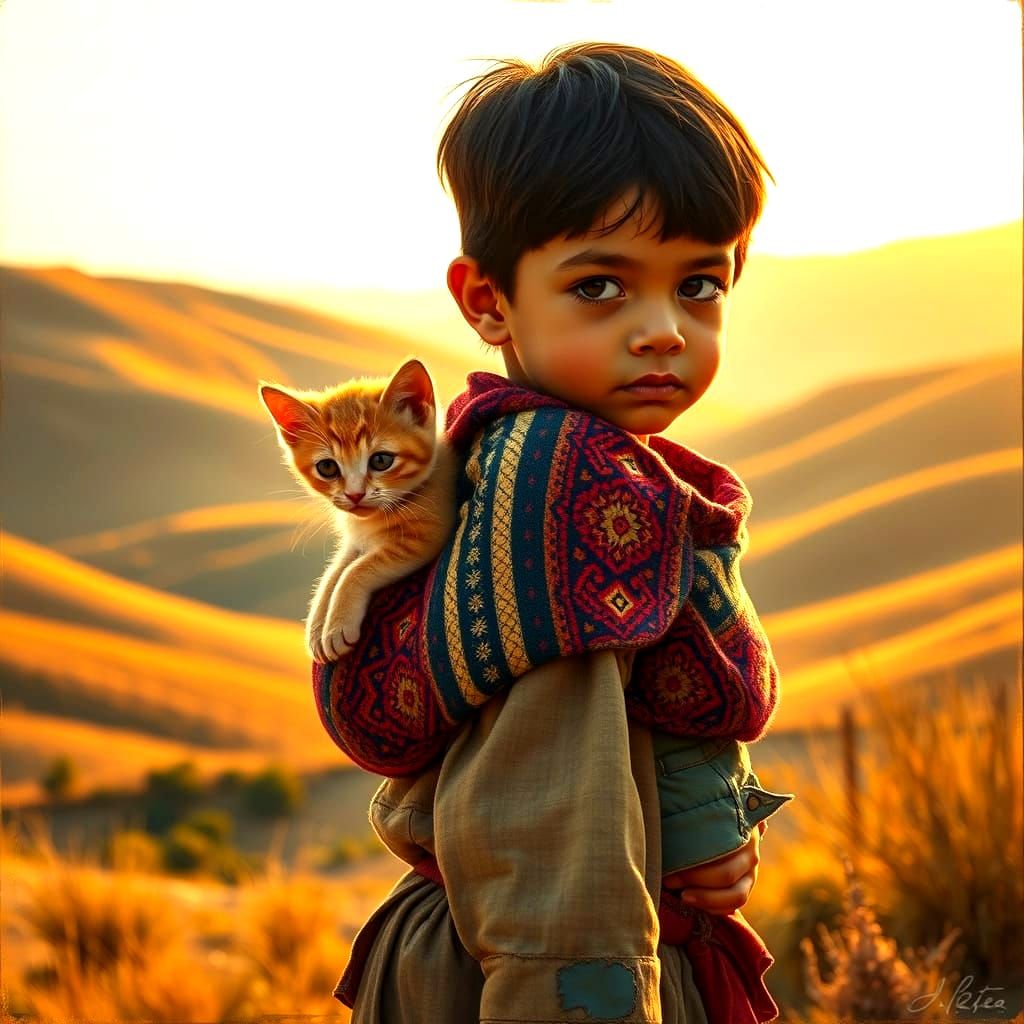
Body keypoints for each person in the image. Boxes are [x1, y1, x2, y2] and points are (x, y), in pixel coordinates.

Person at [313, 42, 794, 1023]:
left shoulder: (538, 457)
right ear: (488, 302)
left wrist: (701, 822)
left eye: (700, 285)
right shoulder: (568, 490)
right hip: (548, 972)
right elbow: (554, 848)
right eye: (600, 287)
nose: (663, 328)